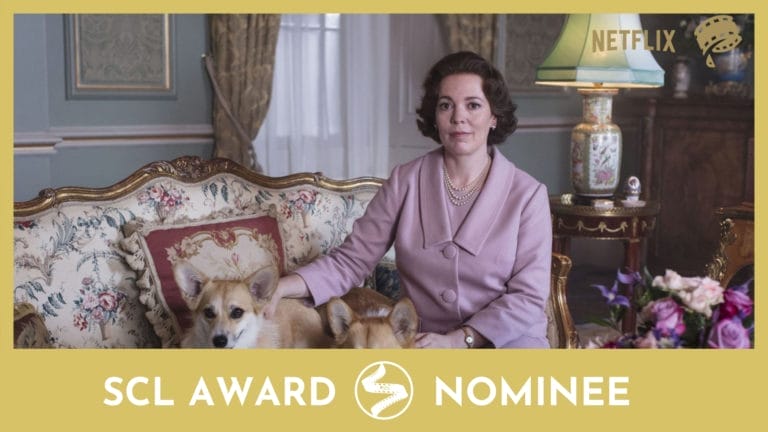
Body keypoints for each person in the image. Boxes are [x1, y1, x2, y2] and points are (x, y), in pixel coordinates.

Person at [267, 51, 552, 348]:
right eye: (446, 105)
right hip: (426, 346)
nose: (458, 117)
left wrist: (460, 340)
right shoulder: (405, 181)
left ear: (494, 116)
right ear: (435, 116)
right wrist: (282, 288)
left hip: (509, 343)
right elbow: (351, 261)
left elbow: (528, 297)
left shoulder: (528, 195)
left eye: (473, 105)